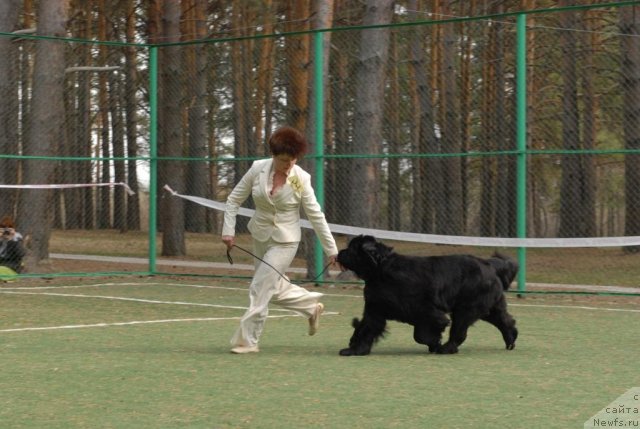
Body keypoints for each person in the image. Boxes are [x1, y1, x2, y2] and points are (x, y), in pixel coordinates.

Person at [222, 126, 338, 354]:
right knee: (271, 288)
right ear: (273, 155)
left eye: (293, 160)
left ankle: (248, 342)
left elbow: (316, 216)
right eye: (284, 160)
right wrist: (228, 230)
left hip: (286, 241)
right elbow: (233, 199)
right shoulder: (257, 169)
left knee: (259, 287)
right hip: (260, 235)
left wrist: (331, 250)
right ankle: (311, 307)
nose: (289, 165)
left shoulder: (302, 179)